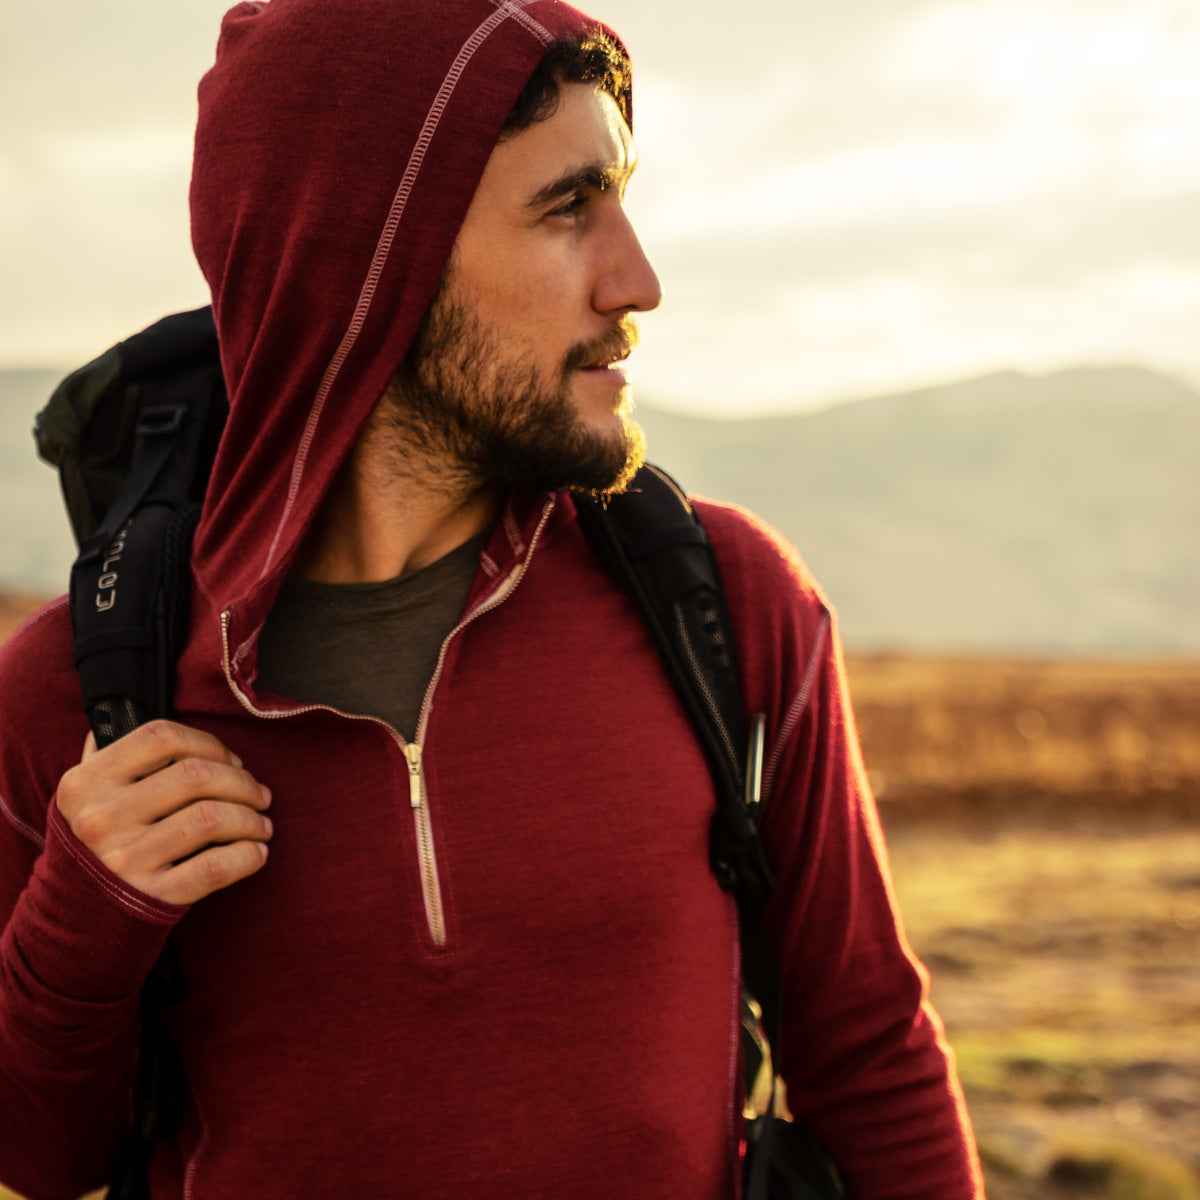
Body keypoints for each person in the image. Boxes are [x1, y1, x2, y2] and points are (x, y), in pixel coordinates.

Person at [0, 2, 985, 1197]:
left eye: (623, 199)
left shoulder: (730, 604)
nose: (640, 280)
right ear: (374, 257)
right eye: (571, 207)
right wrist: (81, 925)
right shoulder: (83, 692)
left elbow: (874, 1060)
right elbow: (39, 1160)